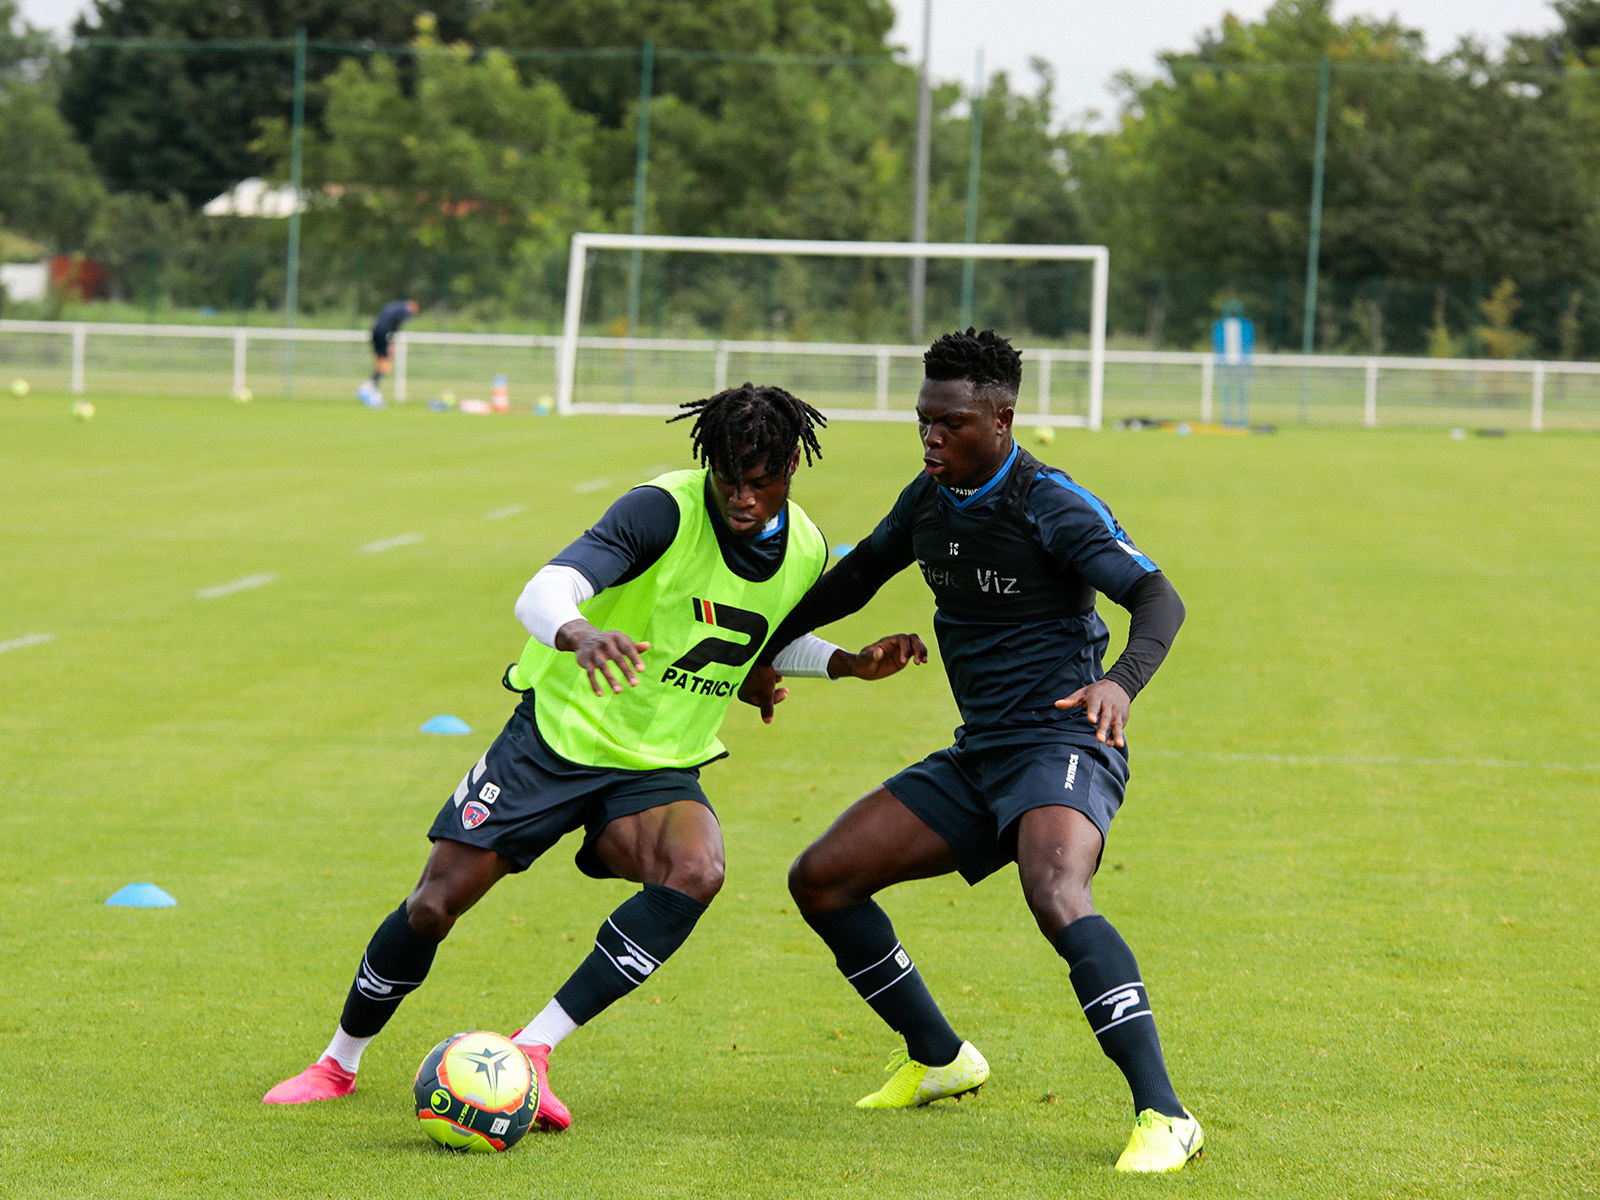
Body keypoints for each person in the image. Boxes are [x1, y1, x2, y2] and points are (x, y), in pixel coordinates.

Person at [263, 384, 924, 1129]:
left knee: (698, 869)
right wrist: (579, 634)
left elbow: (760, 635)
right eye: (729, 477)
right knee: (434, 905)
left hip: (657, 766)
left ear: (794, 466)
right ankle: (338, 1062)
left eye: (760, 481)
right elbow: (547, 588)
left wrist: (846, 664)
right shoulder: (662, 510)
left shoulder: (804, 545)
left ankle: (534, 1052)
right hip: (555, 742)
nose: (742, 496)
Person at [755, 329, 1202, 1172]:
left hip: (1066, 738)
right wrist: (761, 654)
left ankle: (1166, 1114)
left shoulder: (1051, 502)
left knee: (1055, 889)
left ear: (1001, 418)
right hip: (982, 754)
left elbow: (1157, 596)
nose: (931, 437)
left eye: (950, 423)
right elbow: (856, 581)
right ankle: (938, 1056)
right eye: (923, 420)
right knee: (822, 878)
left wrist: (1122, 683)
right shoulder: (926, 500)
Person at [358, 299, 419, 407]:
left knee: (380, 360)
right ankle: (369, 388)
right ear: (412, 305)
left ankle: (373, 389)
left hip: (375, 331)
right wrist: (391, 342)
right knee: (386, 364)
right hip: (383, 333)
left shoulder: (392, 306)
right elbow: (395, 325)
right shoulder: (404, 310)